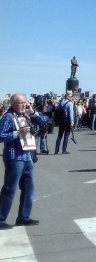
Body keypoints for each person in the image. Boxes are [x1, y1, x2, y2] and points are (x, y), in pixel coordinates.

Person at [0, 93, 48, 228]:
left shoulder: (26, 116)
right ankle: (1, 218)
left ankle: (23, 216)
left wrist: (32, 111)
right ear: (13, 104)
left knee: (29, 188)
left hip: (27, 157)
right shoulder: (8, 117)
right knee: (10, 189)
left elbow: (44, 123)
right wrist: (17, 133)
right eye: (21, 103)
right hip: (14, 157)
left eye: (25, 102)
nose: (24, 105)